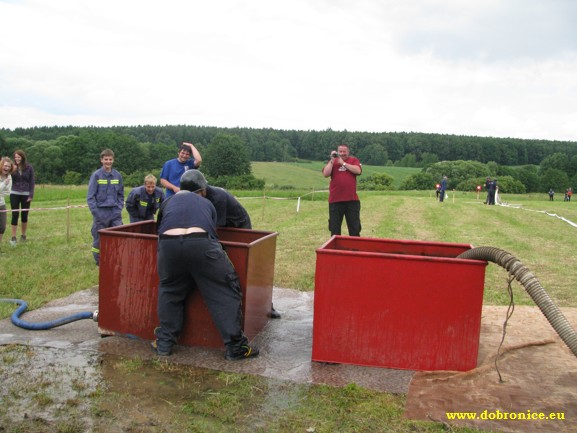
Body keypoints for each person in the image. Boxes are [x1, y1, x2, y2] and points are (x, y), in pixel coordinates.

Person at [152, 170, 259, 360]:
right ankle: (236, 347)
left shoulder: (168, 201)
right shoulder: (207, 203)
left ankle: (164, 343)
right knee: (224, 288)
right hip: (201, 243)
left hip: (168, 247)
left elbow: (159, 227)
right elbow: (211, 232)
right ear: (200, 191)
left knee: (170, 290)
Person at [204, 184, 281, 319]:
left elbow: (216, 227)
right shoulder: (202, 195)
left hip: (239, 225)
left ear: (203, 189)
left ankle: (267, 305)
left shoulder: (218, 197)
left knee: (249, 266)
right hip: (226, 225)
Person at [87, 149, 124, 265]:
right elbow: (90, 197)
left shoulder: (118, 175)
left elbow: (121, 195)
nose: (108, 162)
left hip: (115, 213)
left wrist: (118, 209)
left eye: (110, 159)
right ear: (101, 160)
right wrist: (96, 213)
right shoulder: (96, 175)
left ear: (113, 160)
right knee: (99, 238)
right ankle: (99, 261)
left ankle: (115, 258)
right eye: (106, 159)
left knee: (118, 236)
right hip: (100, 212)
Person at [321, 143, 362, 236]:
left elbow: (358, 171)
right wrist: (332, 160)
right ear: (337, 152)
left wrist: (343, 163)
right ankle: (336, 249)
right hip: (335, 201)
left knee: (354, 229)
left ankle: (354, 249)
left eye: (344, 151)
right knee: (334, 229)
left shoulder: (353, 160)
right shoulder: (333, 162)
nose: (342, 153)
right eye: (340, 151)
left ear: (348, 152)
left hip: (352, 201)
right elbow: (325, 174)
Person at [9, 150, 35, 246]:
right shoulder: (12, 167)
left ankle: (23, 235)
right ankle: (13, 237)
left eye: (18, 157)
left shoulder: (29, 167)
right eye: (15, 157)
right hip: (14, 193)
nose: (17, 158)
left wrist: (30, 195)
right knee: (15, 214)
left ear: (22, 157)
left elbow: (32, 182)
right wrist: (12, 170)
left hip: (26, 194)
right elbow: (6, 175)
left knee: (24, 215)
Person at [0, 157, 13, 248]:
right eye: (5, 166)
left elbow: (8, 192)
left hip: (1, 203)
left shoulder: (9, 177)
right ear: (1, 166)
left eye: (9, 166)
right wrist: (4, 184)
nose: (7, 168)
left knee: (2, 227)